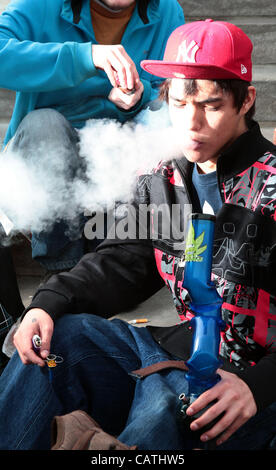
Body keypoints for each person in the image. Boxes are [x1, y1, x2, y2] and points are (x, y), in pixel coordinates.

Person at [0, 19, 276, 451]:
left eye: (212, 105)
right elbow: (122, 258)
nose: (192, 122)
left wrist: (259, 386)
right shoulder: (165, 177)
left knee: (158, 424)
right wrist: (48, 303)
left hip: (245, 385)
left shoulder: (272, 187)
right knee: (50, 347)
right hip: (171, 355)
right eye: (180, 103)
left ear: (246, 102)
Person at [0, 0, 184, 273]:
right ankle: (64, 270)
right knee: (45, 124)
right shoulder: (40, 4)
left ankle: (124, 257)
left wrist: (139, 93)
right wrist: (85, 58)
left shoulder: (167, 10)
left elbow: (171, 88)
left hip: (114, 153)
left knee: (169, 119)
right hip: (42, 155)